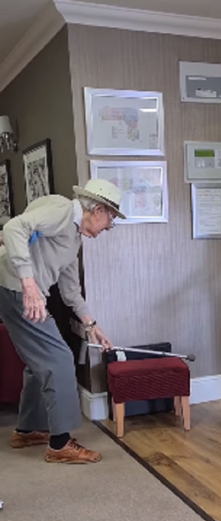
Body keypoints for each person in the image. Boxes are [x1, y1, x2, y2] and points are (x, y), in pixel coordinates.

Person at [0, 179, 126, 463]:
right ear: (97, 209)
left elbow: (70, 290)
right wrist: (30, 286)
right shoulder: (61, 210)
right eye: (110, 219)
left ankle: (27, 429)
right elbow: (12, 228)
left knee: (40, 362)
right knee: (58, 358)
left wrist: (91, 326)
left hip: (16, 290)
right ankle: (59, 445)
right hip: (16, 291)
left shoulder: (74, 235)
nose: (108, 227)